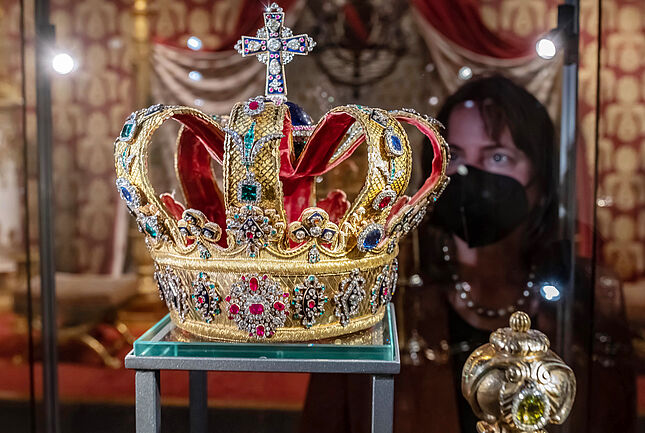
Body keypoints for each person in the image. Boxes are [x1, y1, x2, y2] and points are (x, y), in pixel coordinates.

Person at [300, 76, 635, 433]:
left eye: (498, 156)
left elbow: (613, 418)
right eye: (454, 155)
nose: (468, 174)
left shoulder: (586, 296)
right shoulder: (381, 292)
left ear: (542, 178)